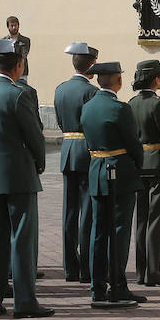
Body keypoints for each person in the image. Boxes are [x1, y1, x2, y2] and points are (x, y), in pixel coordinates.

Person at [0, 37, 53, 320]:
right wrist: (40, 163)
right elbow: (35, 137)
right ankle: (24, 300)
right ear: (18, 66)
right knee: (22, 239)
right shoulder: (18, 95)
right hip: (19, 172)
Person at [80, 61, 145, 307]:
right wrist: (137, 163)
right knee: (119, 231)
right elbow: (134, 144)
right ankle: (117, 284)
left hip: (97, 170)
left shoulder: (87, 108)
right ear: (117, 81)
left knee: (98, 232)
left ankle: (97, 287)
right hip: (120, 173)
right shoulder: (120, 109)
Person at [130, 59, 160, 287]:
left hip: (139, 164)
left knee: (141, 218)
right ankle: (154, 270)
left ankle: (141, 271)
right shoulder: (159, 104)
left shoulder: (131, 103)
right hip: (159, 163)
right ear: (156, 79)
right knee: (158, 217)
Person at [52, 41, 97, 283]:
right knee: (87, 212)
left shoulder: (60, 89)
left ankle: (70, 266)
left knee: (69, 212)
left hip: (68, 149)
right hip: (86, 151)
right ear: (91, 65)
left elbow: (59, 121)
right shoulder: (91, 92)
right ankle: (87, 268)